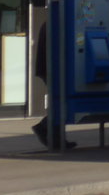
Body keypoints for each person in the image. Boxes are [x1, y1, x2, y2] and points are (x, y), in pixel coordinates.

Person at [31, 18, 76, 149]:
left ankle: (58, 139)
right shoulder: (55, 23)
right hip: (52, 70)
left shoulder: (52, 22)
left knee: (60, 103)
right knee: (60, 103)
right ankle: (44, 128)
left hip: (49, 69)